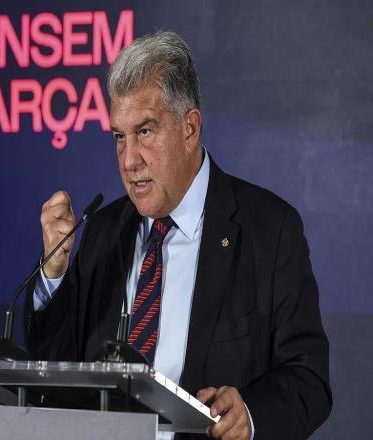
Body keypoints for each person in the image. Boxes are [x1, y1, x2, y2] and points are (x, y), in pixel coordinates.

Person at [24, 31, 332, 440]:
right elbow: (54, 376)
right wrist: (54, 274)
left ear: (189, 128)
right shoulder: (101, 232)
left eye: (145, 132)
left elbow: (309, 379)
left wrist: (250, 414)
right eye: (119, 137)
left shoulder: (269, 230)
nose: (129, 161)